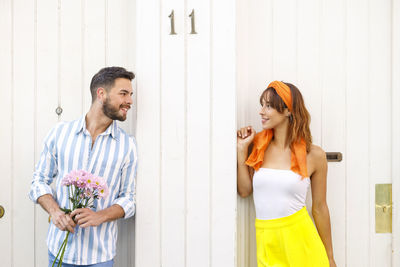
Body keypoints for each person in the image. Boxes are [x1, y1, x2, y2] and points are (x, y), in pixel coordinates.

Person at [29, 66, 137, 266]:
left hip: (99, 258)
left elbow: (129, 199)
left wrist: (100, 216)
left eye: (130, 94)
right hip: (58, 252)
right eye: (123, 94)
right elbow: (38, 182)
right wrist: (55, 211)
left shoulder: (127, 146)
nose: (130, 101)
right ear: (101, 94)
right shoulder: (60, 133)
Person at [237, 81, 337, 267]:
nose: (261, 111)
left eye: (268, 106)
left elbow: (320, 207)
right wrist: (242, 150)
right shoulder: (258, 147)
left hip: (301, 241)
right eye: (262, 105)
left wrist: (330, 257)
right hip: (267, 239)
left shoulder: (314, 155)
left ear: (288, 111)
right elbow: (244, 191)